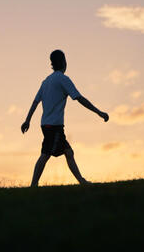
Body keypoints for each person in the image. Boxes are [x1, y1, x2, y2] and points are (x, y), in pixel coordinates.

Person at [21, 50, 109, 187]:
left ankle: (81, 181)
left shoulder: (46, 81)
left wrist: (27, 120)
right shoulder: (63, 79)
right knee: (45, 154)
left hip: (47, 125)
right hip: (53, 126)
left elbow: (35, 102)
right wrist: (99, 112)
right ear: (63, 62)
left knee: (68, 152)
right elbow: (79, 98)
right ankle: (33, 185)